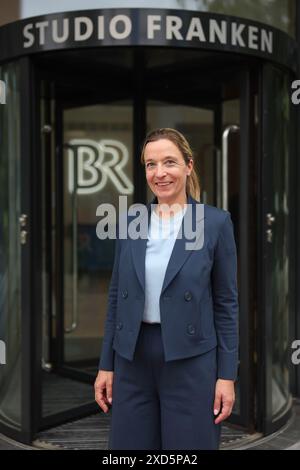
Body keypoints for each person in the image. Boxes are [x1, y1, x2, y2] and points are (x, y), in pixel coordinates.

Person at [94, 128, 239, 450]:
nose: (159, 173)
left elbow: (226, 304)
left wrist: (227, 376)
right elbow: (117, 297)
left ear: (189, 166)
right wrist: (106, 365)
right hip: (132, 358)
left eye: (169, 162)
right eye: (150, 164)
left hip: (191, 360)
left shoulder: (213, 223)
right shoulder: (131, 220)